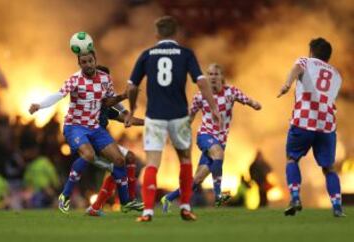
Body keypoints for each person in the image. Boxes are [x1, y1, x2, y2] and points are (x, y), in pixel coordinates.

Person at [125, 16, 222, 222]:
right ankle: (185, 207)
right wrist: (213, 107)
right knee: (185, 160)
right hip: (179, 116)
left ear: (157, 34)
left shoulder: (147, 54)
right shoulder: (185, 54)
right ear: (176, 33)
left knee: (152, 163)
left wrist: (132, 109)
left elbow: (132, 87)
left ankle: (148, 211)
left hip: (154, 117)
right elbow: (202, 82)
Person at [29, 50, 137, 214]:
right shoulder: (74, 80)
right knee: (88, 155)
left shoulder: (104, 78)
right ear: (79, 64)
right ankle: (65, 195)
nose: (87, 64)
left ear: (95, 60)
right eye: (84, 62)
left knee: (120, 160)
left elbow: (109, 99)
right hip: (75, 126)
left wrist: (125, 104)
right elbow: (59, 95)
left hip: (94, 127)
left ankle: (125, 202)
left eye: (90, 61)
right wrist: (40, 104)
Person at [161, 63, 261, 211]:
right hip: (205, 136)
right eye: (210, 74)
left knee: (197, 180)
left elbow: (246, 99)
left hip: (220, 140)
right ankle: (218, 195)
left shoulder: (231, 92)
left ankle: (168, 198)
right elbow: (190, 116)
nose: (213, 77)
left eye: (216, 74)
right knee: (218, 154)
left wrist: (254, 103)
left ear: (222, 77)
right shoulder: (200, 96)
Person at [277, 37, 345, 217]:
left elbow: (297, 68)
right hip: (327, 125)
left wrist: (287, 84)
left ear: (312, 52)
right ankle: (337, 206)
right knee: (329, 168)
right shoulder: (337, 75)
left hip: (304, 120)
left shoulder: (305, 61)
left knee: (292, 158)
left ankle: (295, 197)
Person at [86, 65, 144, 216]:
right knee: (120, 163)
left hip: (102, 141)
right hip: (91, 142)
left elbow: (125, 117)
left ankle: (96, 207)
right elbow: (106, 102)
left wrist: (149, 122)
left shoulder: (107, 104)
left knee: (122, 164)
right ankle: (128, 200)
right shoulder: (91, 97)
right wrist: (125, 95)